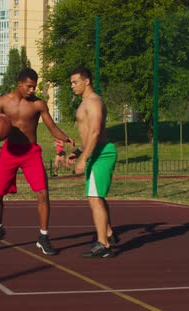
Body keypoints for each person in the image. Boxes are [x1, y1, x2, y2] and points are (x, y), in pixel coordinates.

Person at [0, 68, 74, 256]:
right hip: (9, 152)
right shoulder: (3, 102)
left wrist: (66, 138)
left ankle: (43, 237)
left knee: (43, 193)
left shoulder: (38, 104)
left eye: (34, 86)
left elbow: (52, 127)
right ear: (19, 84)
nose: (32, 90)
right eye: (29, 86)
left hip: (30, 153)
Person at [68, 66, 118, 258]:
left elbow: (96, 131)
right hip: (93, 153)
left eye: (75, 82)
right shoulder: (84, 103)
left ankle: (103, 245)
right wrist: (78, 151)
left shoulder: (94, 101)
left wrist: (84, 158)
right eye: (71, 83)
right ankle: (109, 234)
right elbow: (88, 134)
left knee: (95, 198)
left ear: (86, 81)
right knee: (95, 197)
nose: (72, 86)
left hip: (102, 154)